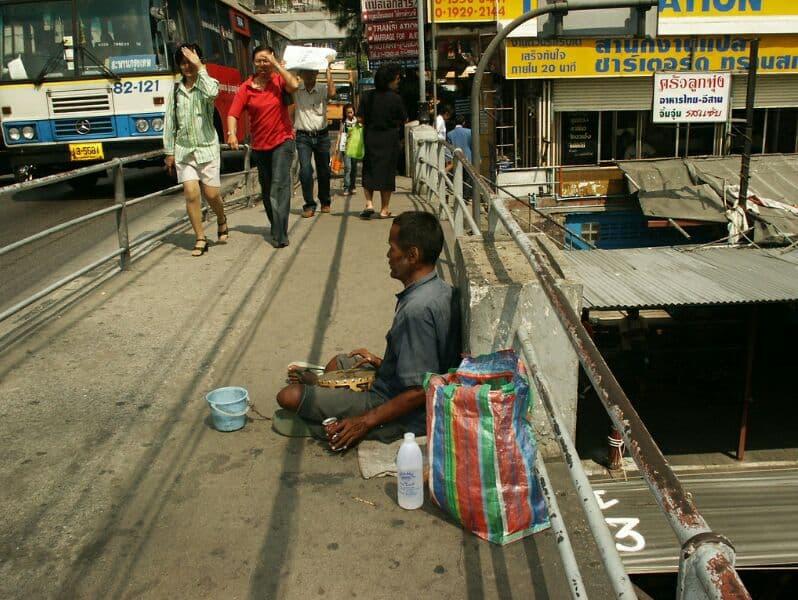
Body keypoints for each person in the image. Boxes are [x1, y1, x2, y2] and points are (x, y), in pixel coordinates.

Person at [276, 211, 461, 449]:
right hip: (394, 382)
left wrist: (364, 421)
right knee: (339, 362)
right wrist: (381, 362)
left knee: (288, 396)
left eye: (392, 248)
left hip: (395, 404)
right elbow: (427, 364)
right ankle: (323, 386)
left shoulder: (416, 310)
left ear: (412, 255)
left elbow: (418, 389)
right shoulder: (440, 290)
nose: (388, 255)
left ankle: (326, 411)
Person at [227, 45, 299, 248]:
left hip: (283, 141)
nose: (263, 64)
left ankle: (280, 234)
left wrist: (277, 65)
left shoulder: (279, 80)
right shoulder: (246, 87)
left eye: (266, 60)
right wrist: (232, 133)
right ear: (253, 62)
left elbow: (294, 85)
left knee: (279, 186)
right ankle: (276, 226)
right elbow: (233, 113)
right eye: (259, 60)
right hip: (259, 146)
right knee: (267, 190)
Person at [163, 43, 228, 257]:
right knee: (191, 193)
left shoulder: (208, 84)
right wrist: (169, 152)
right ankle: (200, 237)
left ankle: (221, 217)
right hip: (185, 151)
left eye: (190, 61)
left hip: (207, 148)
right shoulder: (175, 90)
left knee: (211, 194)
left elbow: (213, 93)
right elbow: (170, 123)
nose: (187, 66)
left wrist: (200, 67)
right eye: (183, 62)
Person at [358, 64, 407, 220]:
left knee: (369, 170)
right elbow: (404, 118)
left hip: (371, 137)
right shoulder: (395, 98)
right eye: (396, 79)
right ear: (389, 81)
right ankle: (385, 209)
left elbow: (360, 118)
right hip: (389, 139)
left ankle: (369, 203)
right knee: (387, 174)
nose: (398, 82)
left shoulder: (366, 96)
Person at [293, 58, 336, 217]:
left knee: (324, 170)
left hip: (322, 136)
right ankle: (309, 204)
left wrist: (328, 69)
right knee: (305, 170)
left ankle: (325, 201)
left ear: (317, 72)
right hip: (303, 136)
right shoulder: (296, 89)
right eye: (307, 71)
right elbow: (287, 84)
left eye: (313, 71)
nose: (310, 74)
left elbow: (332, 93)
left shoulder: (322, 88)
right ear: (301, 74)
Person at [446, 114, 473, 200]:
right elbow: (473, 146)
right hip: (468, 157)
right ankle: (466, 197)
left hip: (456, 158)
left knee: (458, 177)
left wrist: (449, 161)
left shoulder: (449, 134)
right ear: (464, 122)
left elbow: (448, 149)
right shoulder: (469, 132)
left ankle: (459, 196)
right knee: (468, 179)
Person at [339, 103, 358, 195]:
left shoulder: (357, 122)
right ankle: (346, 187)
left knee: (354, 168)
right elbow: (340, 134)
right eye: (348, 112)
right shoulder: (343, 122)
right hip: (346, 148)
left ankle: (352, 186)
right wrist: (338, 147)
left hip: (355, 148)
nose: (350, 114)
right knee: (348, 167)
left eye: (351, 112)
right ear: (345, 113)